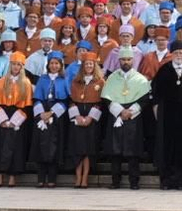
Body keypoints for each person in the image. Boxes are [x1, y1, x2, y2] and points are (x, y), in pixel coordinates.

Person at [102, 51, 151, 189]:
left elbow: (145, 98)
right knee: (115, 151)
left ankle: (134, 182)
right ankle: (115, 181)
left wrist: (131, 111)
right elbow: (106, 97)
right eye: (123, 59)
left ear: (133, 60)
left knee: (133, 152)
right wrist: (119, 111)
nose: (126, 62)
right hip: (116, 116)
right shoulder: (111, 78)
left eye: (128, 59)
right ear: (119, 60)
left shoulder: (140, 79)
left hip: (133, 116)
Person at [151, 40, 182, 189]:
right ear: (171, 54)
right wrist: (156, 108)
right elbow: (156, 90)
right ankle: (166, 180)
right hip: (167, 114)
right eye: (176, 53)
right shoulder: (164, 69)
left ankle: (180, 179)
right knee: (167, 146)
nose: (178, 55)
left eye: (181, 53)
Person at [0, 59, 33, 187]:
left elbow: (27, 106)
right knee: (0, 145)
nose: (16, 67)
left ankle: (12, 176)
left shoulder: (26, 83)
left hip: (18, 116)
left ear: (22, 67)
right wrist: (2, 120)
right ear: (10, 65)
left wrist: (15, 121)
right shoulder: (1, 82)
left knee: (16, 146)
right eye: (14, 64)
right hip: (2, 115)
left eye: (19, 64)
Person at [66, 51, 104, 189]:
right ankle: (77, 177)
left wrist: (90, 117)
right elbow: (70, 101)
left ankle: (85, 178)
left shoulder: (100, 82)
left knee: (88, 149)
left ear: (94, 66)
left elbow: (101, 103)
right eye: (86, 64)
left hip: (91, 118)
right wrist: (77, 116)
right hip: (77, 117)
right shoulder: (76, 82)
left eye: (91, 64)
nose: (88, 66)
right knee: (77, 148)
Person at [31, 53, 70, 188]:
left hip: (57, 114)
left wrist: (52, 113)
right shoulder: (42, 79)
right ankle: (41, 177)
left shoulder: (65, 79)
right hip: (42, 113)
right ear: (48, 65)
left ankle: (52, 177)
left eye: (56, 64)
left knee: (54, 146)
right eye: (52, 63)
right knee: (40, 145)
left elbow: (66, 100)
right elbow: (36, 98)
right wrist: (42, 114)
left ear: (61, 65)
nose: (54, 66)